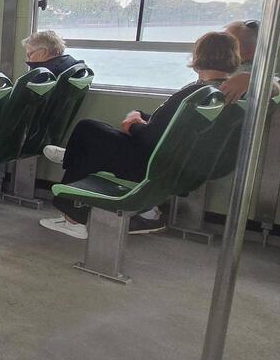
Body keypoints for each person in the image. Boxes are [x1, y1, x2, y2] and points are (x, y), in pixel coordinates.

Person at [38, 31, 241, 239]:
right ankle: (71, 159)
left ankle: (72, 217)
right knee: (93, 141)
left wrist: (134, 125)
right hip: (172, 163)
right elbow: (171, 125)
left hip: (151, 163)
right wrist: (139, 115)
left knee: (88, 131)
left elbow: (153, 136)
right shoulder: (219, 94)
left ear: (198, 56)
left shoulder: (196, 94)